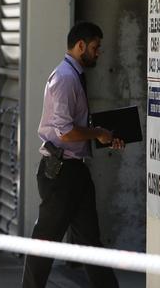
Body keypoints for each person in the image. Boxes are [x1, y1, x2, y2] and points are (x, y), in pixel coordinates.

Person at [21, 22, 124, 288]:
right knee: (45, 240)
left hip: (75, 170)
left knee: (90, 241)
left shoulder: (74, 75)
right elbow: (65, 132)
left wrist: (105, 135)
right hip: (61, 172)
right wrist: (98, 132)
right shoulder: (65, 78)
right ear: (80, 46)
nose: (98, 52)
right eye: (95, 47)